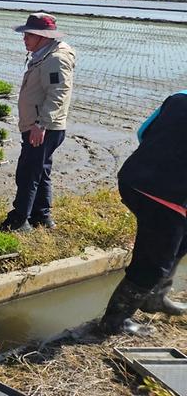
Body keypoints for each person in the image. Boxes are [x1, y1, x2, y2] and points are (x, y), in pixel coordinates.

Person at [100, 90, 187, 334]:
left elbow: (143, 132)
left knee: (180, 240)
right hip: (167, 197)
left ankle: (154, 297)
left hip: (134, 179)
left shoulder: (179, 97)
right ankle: (115, 322)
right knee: (152, 263)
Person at [0, 13, 76, 232]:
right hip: (40, 125)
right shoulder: (45, 54)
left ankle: (19, 220)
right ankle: (42, 216)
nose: (24, 39)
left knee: (28, 173)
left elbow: (58, 94)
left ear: (44, 37)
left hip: (43, 127)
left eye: (29, 35)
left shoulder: (56, 59)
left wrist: (41, 124)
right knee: (41, 171)